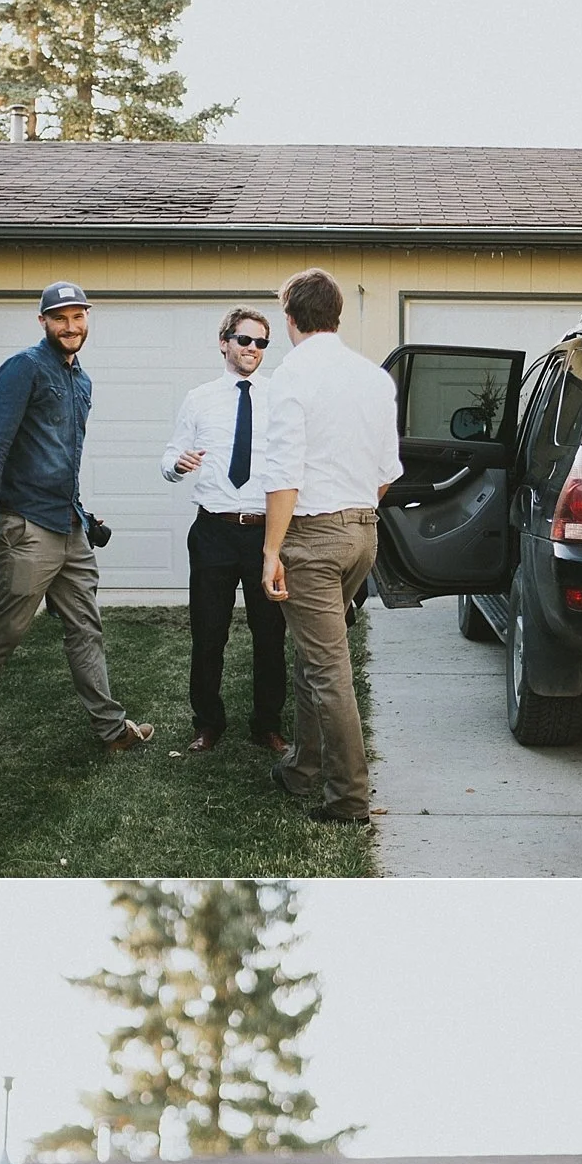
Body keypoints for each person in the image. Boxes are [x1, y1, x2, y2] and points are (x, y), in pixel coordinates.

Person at [0, 280, 153, 768]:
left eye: (78, 317)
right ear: (43, 322)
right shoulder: (24, 368)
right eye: (60, 318)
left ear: (87, 320)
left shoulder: (82, 380)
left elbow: (59, 456)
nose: (71, 327)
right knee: (6, 632)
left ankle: (112, 729)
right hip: (25, 524)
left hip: (67, 526)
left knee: (86, 628)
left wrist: (81, 510)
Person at [262, 269, 403, 825]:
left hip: (312, 539)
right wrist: (355, 512)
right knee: (316, 654)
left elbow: (283, 476)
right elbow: (388, 470)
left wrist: (272, 550)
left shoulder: (291, 376)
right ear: (337, 315)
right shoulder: (373, 377)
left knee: (328, 668)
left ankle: (347, 799)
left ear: (291, 318)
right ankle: (303, 767)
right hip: (363, 533)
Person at [161, 308, 290, 755]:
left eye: (261, 343)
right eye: (244, 340)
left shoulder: (280, 397)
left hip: (264, 535)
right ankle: (207, 723)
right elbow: (171, 453)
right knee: (209, 632)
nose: (252, 349)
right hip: (213, 530)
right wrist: (175, 465)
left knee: (270, 634)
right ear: (224, 343)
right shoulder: (199, 398)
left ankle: (267, 725)